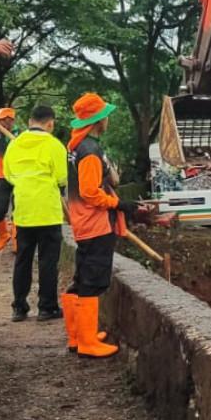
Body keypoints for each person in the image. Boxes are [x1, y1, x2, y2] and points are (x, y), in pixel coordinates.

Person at [62, 92, 151, 358]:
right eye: (106, 115)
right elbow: (90, 192)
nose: (108, 119)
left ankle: (77, 336)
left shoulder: (75, 146)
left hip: (82, 222)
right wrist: (119, 205)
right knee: (92, 281)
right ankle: (87, 342)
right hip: (95, 224)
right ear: (98, 119)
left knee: (81, 280)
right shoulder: (89, 151)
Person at [2, 105, 68, 322]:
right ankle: (46, 307)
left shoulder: (14, 144)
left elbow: (9, 175)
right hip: (47, 210)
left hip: (23, 209)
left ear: (30, 121)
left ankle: (19, 307)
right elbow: (62, 178)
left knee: (23, 259)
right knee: (48, 261)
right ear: (50, 123)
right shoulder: (55, 145)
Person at [0, 107, 17, 252]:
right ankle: (3, 235)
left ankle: (16, 239)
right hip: (1, 176)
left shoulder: (20, 135)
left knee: (18, 209)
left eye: (2, 120)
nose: (0, 122)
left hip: (18, 176)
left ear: (10, 120)